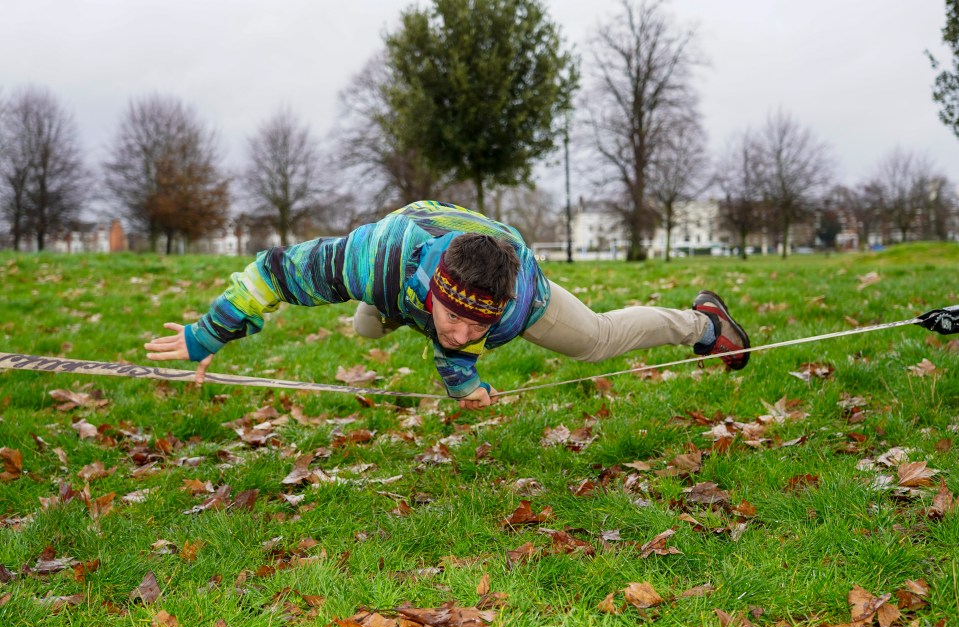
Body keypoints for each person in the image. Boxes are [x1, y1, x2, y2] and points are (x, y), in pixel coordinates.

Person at [144, 200, 750, 409]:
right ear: (434, 290)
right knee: (368, 326)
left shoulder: (518, 302)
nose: (460, 333)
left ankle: (703, 324)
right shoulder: (367, 260)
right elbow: (271, 273)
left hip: (474, 278)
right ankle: (392, 310)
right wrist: (208, 334)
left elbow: (460, 339)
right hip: (398, 270)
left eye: (475, 323)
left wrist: (461, 379)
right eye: (453, 315)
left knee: (593, 341)